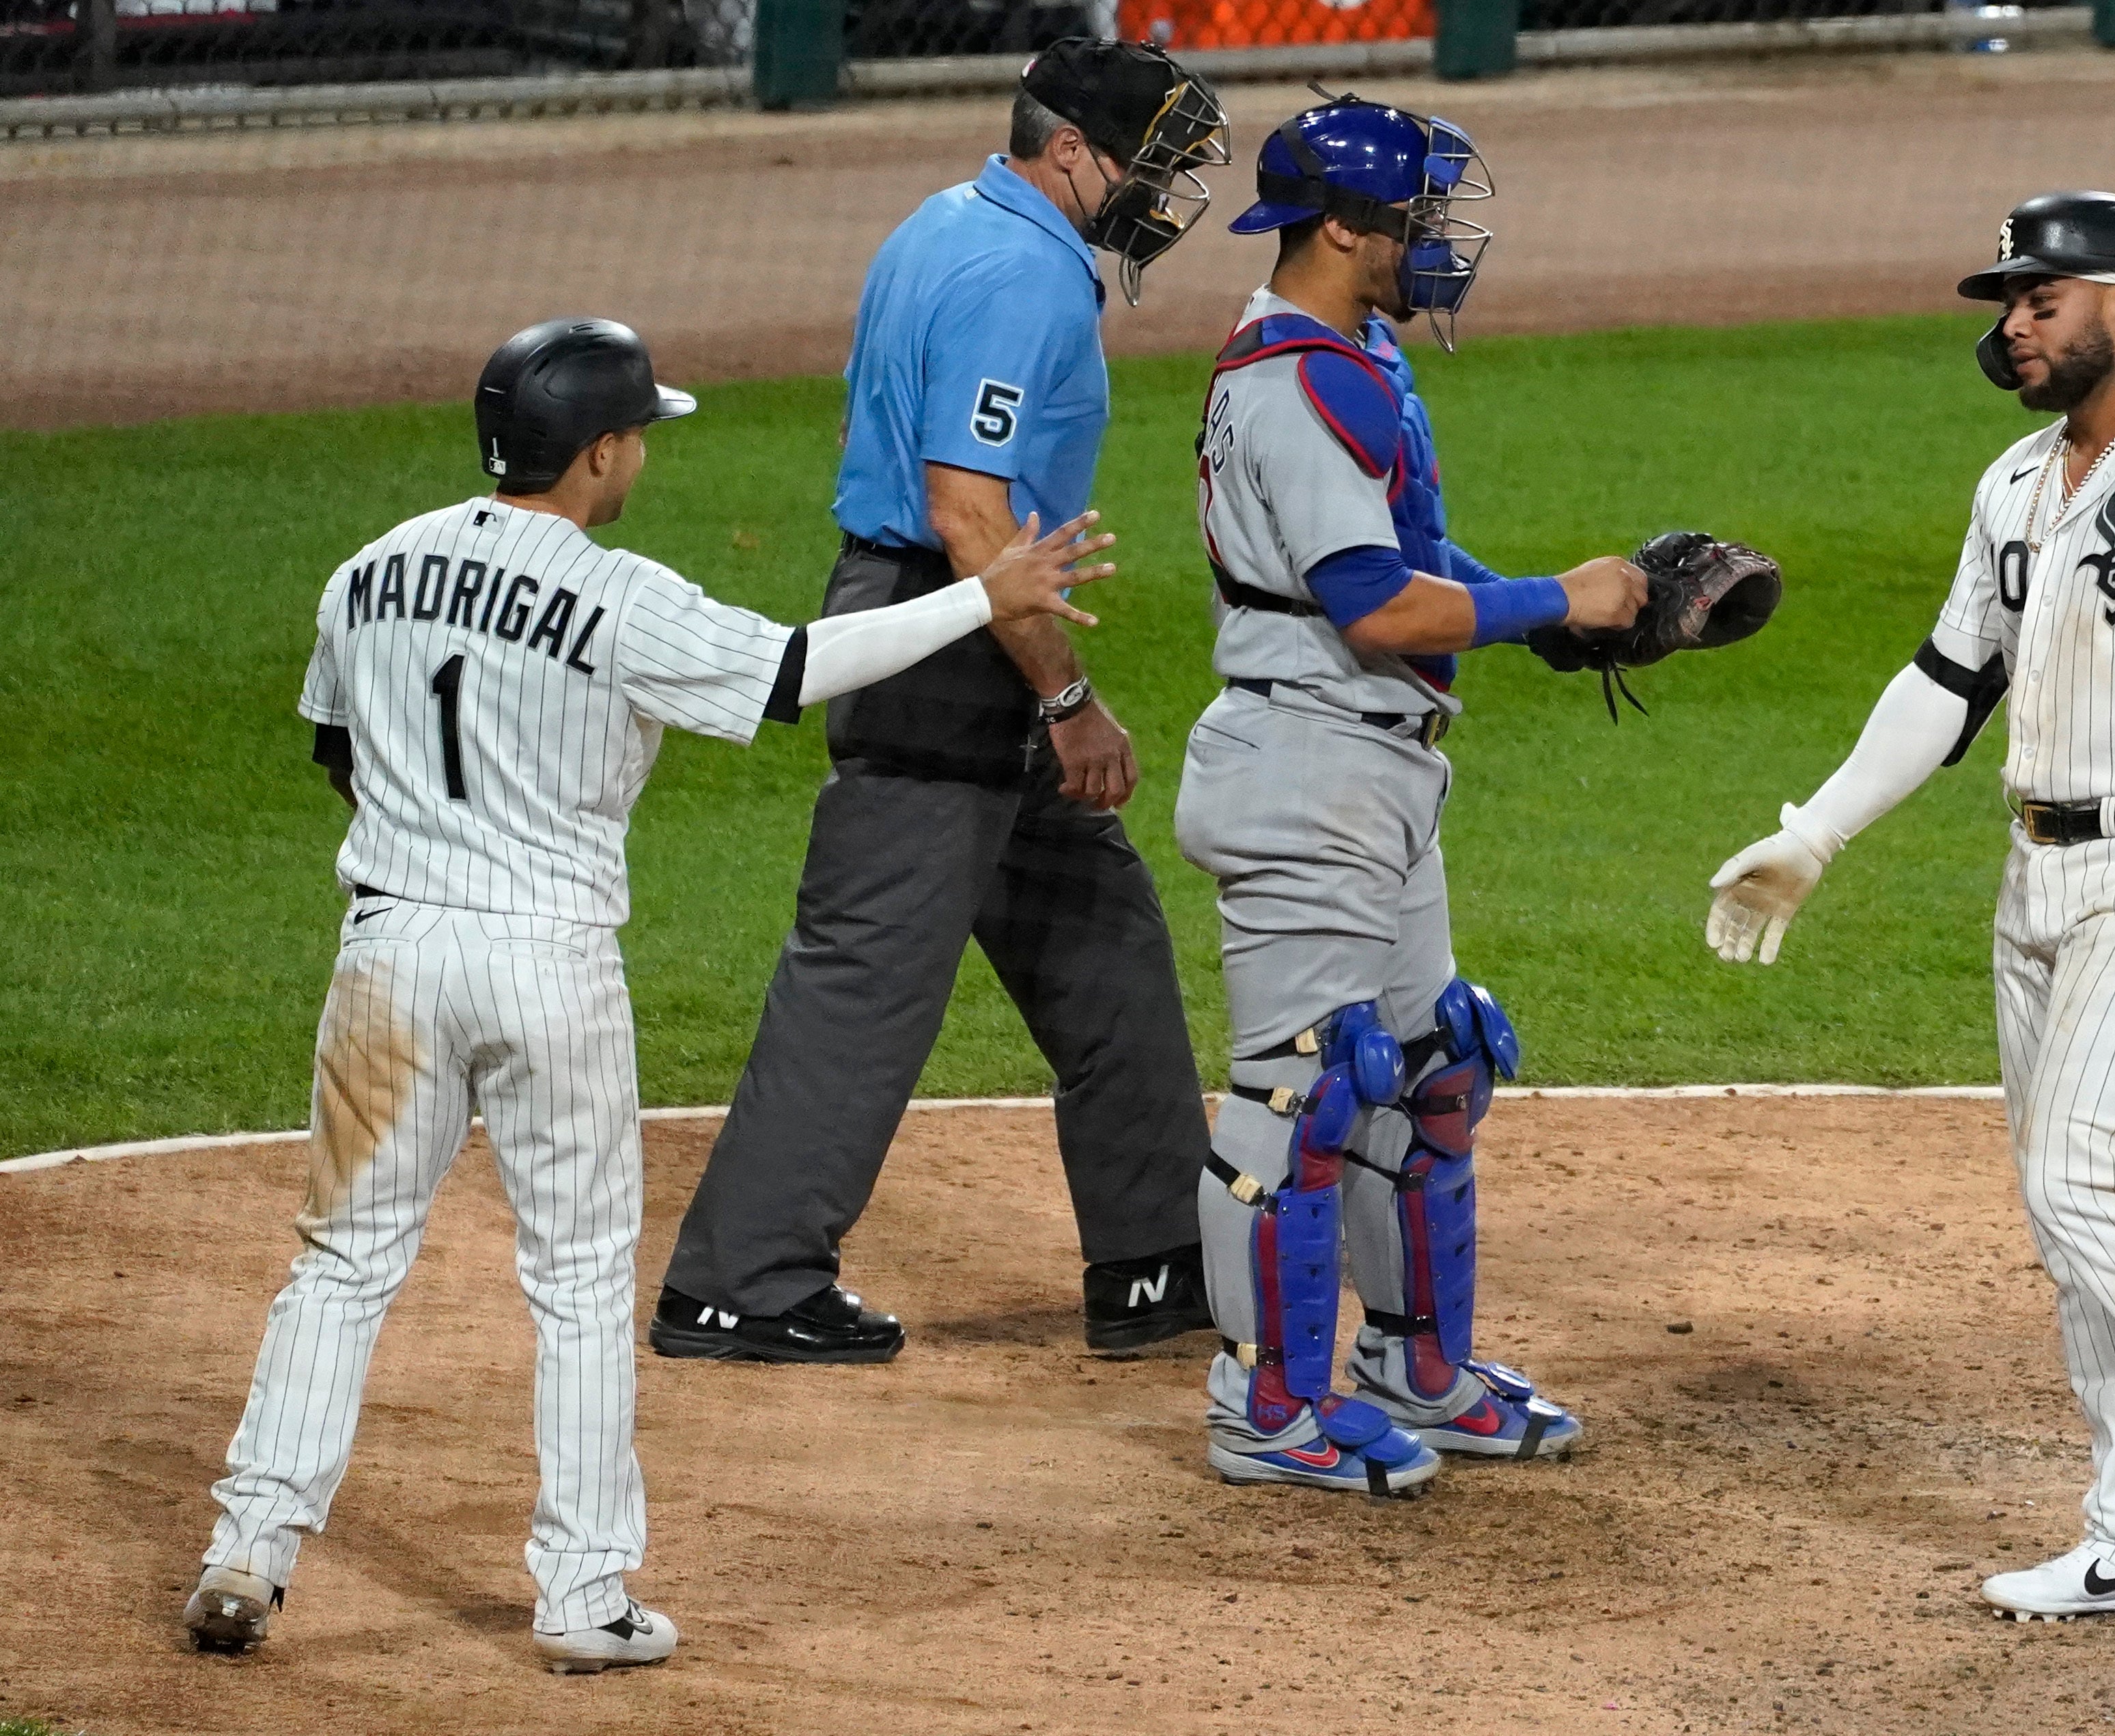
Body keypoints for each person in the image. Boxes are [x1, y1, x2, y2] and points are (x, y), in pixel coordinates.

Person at [184, 317, 1113, 1670]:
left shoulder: (367, 568)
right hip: (547, 959)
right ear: (602, 451)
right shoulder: (620, 596)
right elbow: (799, 669)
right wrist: (989, 594)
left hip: (387, 952)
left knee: (341, 1262)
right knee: (573, 1279)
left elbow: (341, 744)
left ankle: (248, 1552)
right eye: (639, 438)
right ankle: (581, 1595)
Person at [1706, 191, 2115, 1619]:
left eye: (2037, 301)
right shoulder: (2012, 484)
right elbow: (1944, 680)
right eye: (2005, 305)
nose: (2010, 327)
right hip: (2035, 870)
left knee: (2086, 1179)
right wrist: (1813, 832)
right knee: (2069, 1222)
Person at [650, 40, 1233, 1365]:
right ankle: (738, 1278)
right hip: (941, 637)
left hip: (952, 623)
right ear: (1071, 152)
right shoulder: (1019, 276)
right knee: (865, 975)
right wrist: (1067, 697)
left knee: (1101, 938)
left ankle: (1155, 1257)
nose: (1162, 190)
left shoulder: (946, 219)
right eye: (1148, 161)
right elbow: (965, 510)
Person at [1175, 96, 1649, 1496]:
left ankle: (1415, 1369)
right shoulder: (1299, 383)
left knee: (1431, 1070)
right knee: (1301, 1101)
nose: (1439, 244)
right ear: (1341, 228)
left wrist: (1547, 622)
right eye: (1417, 219)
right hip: (1306, 766)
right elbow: (1372, 603)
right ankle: (1261, 1403)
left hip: (1372, 764)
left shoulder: (1352, 351)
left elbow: (1412, 564)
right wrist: (1558, 595)